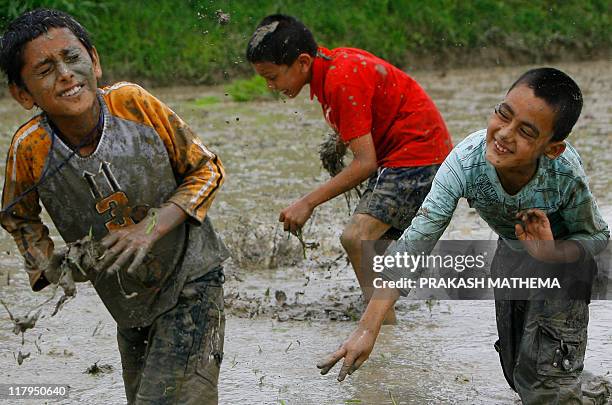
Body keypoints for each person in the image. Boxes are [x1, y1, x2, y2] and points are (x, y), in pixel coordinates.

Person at [317, 67, 610, 404]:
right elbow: (417, 241)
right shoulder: (466, 163)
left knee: (545, 387)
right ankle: (593, 393)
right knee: (518, 376)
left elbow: (596, 238)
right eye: (504, 114)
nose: (504, 134)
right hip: (512, 258)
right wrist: (367, 329)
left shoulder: (563, 173)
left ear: (552, 149)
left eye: (526, 131)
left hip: (564, 267)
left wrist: (551, 253)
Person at [0, 9, 229, 404]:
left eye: (73, 58)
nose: (66, 74)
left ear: (95, 60)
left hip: (191, 277)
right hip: (126, 302)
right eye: (45, 70)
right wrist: (48, 264)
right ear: (23, 94)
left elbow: (207, 169)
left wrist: (153, 225)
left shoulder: (133, 104)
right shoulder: (31, 150)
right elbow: (15, 214)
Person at [246, 15, 453, 323]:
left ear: (302, 62)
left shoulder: (340, 80)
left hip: (418, 158)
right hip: (416, 155)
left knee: (356, 238)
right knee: (375, 251)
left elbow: (365, 163)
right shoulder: (332, 64)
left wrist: (307, 203)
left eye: (273, 77)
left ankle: (381, 329)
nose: (270, 86)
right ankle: (387, 319)